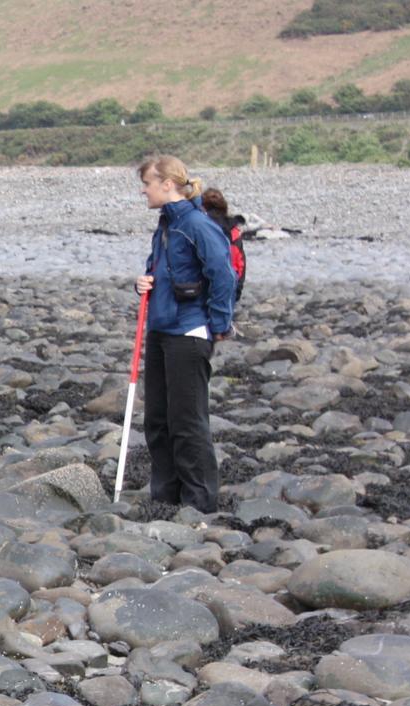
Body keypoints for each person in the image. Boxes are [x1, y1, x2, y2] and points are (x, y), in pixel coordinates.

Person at [135, 154, 237, 515]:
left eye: (147, 184)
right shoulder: (165, 225)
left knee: (188, 420)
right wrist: (144, 282)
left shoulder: (197, 224)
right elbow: (161, 270)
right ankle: (165, 498)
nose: (143, 191)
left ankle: (199, 502)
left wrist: (220, 324)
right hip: (161, 328)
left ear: (167, 184)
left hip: (189, 332)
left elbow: (223, 275)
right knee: (159, 420)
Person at [201, 186, 248, 305]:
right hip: (229, 283)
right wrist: (239, 288)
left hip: (204, 285)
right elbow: (240, 263)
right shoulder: (233, 229)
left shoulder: (200, 225)